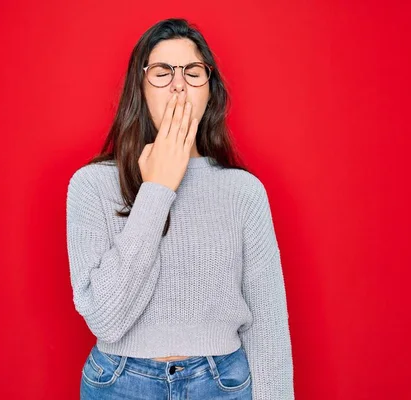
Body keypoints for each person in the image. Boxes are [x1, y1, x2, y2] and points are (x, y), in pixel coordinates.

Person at [66, 18, 294, 400]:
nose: (178, 83)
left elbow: (268, 325)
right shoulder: (91, 186)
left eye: (192, 71)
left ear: (210, 90)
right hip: (120, 384)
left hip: (222, 383)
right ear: (139, 88)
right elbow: (106, 318)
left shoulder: (243, 191)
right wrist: (157, 189)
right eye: (161, 72)